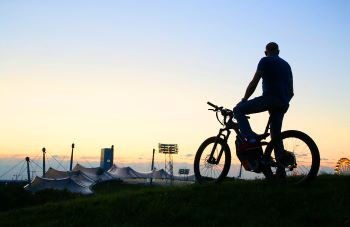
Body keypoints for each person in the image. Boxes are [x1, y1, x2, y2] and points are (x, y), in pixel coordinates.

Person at [233, 42, 294, 177]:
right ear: (278, 52)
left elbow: (254, 82)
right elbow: (291, 91)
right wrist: (283, 102)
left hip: (270, 98)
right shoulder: (286, 65)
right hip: (283, 102)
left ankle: (251, 141)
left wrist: (244, 100)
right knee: (275, 135)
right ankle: (280, 170)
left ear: (266, 52)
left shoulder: (265, 61)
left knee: (238, 110)